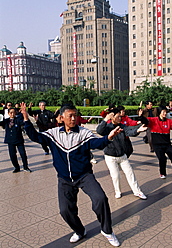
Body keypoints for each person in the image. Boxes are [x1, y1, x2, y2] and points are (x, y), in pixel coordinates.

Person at [23, 102, 121, 246]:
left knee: (100, 199)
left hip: (84, 176)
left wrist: (108, 138)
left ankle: (107, 230)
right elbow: (35, 137)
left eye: (76, 115)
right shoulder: (54, 134)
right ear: (62, 118)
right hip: (64, 179)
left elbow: (97, 143)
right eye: (70, 116)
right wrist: (26, 119)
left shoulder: (83, 133)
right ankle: (80, 231)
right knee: (65, 210)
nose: (74, 119)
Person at [96, 108, 147, 200]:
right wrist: (105, 119)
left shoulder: (122, 126)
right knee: (115, 176)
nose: (120, 118)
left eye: (120, 116)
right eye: (118, 116)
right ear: (112, 117)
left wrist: (138, 130)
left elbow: (130, 131)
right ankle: (117, 191)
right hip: (110, 156)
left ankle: (137, 192)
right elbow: (99, 131)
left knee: (130, 173)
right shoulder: (107, 128)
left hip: (122, 156)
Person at [139, 106, 172, 179]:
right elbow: (145, 121)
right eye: (163, 112)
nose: (165, 113)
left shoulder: (169, 121)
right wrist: (141, 116)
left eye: (166, 112)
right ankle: (162, 173)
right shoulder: (153, 120)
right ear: (159, 113)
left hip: (167, 144)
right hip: (157, 145)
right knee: (162, 158)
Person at [0, 106, 31, 173]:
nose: (12, 114)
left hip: (19, 140)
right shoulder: (6, 121)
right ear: (8, 113)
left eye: (13, 112)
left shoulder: (18, 119)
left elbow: (24, 122)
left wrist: (25, 114)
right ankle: (16, 167)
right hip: (10, 140)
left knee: (23, 154)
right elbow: (1, 122)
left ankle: (25, 167)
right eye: (10, 113)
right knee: (12, 155)